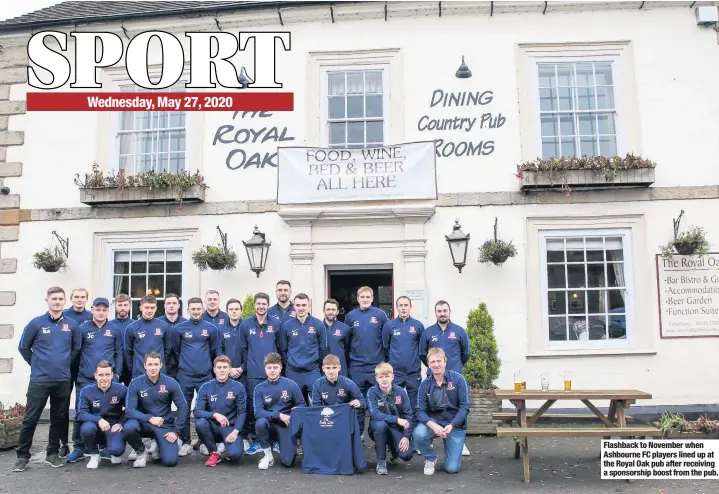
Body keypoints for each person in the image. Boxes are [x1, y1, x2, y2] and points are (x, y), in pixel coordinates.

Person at [14, 286, 81, 472]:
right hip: (39, 380)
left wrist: (65, 364)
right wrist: (36, 364)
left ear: (65, 301)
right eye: (54, 299)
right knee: (31, 418)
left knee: (59, 418)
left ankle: (52, 452)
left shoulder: (72, 326)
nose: (57, 302)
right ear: (47, 301)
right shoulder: (36, 323)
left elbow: (76, 349)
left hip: (62, 380)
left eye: (60, 299)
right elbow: (23, 347)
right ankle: (22, 456)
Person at [67, 297, 124, 463]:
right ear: (92, 309)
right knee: (80, 413)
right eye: (97, 309)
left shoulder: (114, 329)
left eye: (104, 310)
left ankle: (104, 446)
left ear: (108, 311)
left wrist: (117, 374)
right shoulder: (82, 328)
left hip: (108, 379)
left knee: (108, 411)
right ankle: (78, 447)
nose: (100, 312)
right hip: (86, 379)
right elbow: (76, 352)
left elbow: (119, 353)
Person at [418, 300, 471, 456]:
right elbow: (422, 354)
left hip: (454, 377)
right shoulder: (428, 332)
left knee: (458, 407)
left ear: (449, 312)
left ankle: (461, 443)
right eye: (439, 311)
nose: (442, 313)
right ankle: (429, 439)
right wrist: (434, 367)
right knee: (432, 409)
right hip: (433, 378)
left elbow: (465, 353)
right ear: (435, 313)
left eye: (444, 310)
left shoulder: (459, 331)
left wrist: (453, 367)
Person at [173, 297, 223, 457]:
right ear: (187, 310)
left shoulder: (211, 328)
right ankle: (186, 442)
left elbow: (215, 350)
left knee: (206, 409)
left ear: (202, 310)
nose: (195, 311)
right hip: (185, 376)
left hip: (205, 376)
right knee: (184, 409)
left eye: (198, 309)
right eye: (192, 309)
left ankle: (204, 442)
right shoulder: (179, 329)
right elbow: (175, 351)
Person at [123, 352, 188, 468]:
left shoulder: (170, 382)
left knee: (170, 461)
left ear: (161, 365)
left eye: (156, 364)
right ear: (145, 366)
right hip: (143, 423)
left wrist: (176, 431)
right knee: (128, 427)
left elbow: (183, 407)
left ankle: (160, 444)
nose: (153, 368)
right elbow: (129, 410)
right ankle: (141, 452)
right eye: (150, 364)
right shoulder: (135, 383)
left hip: (163, 424)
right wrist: (150, 418)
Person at [414, 348, 470, 475]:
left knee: (452, 469)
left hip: (454, 424)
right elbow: (419, 411)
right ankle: (430, 458)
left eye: (439, 361)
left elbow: (465, 407)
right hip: (435, 422)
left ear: (445, 362)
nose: (436, 364)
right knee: (418, 434)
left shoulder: (458, 380)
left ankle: (451, 448)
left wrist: (452, 425)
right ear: (428, 365)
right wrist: (433, 425)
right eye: (432, 362)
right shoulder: (425, 384)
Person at [239, 293, 281, 454]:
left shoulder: (276, 324)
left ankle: (276, 440)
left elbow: (281, 348)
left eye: (264, 304)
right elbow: (243, 349)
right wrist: (248, 365)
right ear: (254, 306)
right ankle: (257, 440)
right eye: (258, 304)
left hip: (273, 374)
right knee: (254, 407)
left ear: (268, 305)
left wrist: (277, 369)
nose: (261, 306)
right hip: (254, 374)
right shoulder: (246, 324)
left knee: (276, 405)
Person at [217, 298, 259, 455]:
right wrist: (227, 370)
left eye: (237, 309)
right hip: (226, 374)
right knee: (226, 404)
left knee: (246, 405)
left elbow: (251, 351)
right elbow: (218, 350)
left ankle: (247, 437)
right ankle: (224, 437)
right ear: (227, 311)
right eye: (231, 309)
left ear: (241, 311)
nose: (234, 311)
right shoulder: (220, 329)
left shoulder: (247, 326)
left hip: (244, 373)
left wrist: (241, 368)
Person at [345, 286, 388, 436]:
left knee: (380, 401)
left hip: (376, 367)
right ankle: (359, 434)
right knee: (358, 403)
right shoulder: (350, 316)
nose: (365, 300)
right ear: (357, 299)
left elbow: (386, 340)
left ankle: (379, 433)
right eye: (362, 297)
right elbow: (347, 341)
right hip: (356, 367)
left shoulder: (381, 315)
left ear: (372, 299)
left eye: (368, 297)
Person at [253, 352, 304, 469]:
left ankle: (286, 448)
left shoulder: (291, 385)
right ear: (265, 369)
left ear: (280, 368)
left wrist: (294, 413)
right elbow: (258, 412)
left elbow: (301, 404)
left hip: (286, 424)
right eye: (269, 368)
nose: (272, 370)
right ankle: (268, 456)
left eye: (275, 367)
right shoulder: (259, 388)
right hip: (269, 424)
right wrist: (279, 415)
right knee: (260, 423)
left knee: (288, 462)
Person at [193, 356, 247, 467]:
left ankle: (230, 447)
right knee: (200, 423)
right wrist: (215, 415)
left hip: (230, 428)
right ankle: (214, 452)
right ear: (214, 369)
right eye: (219, 367)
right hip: (212, 427)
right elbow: (197, 411)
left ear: (229, 369)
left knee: (234, 455)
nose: (222, 370)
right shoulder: (205, 387)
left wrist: (235, 432)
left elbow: (242, 412)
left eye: (225, 367)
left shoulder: (238, 387)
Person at [76, 360, 127, 469]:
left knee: (117, 452)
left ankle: (108, 449)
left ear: (112, 375)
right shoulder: (86, 391)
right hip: (95, 425)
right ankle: (94, 454)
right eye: (101, 375)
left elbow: (130, 410)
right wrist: (98, 420)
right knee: (87, 429)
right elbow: (81, 413)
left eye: (107, 374)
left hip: (113, 427)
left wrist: (121, 423)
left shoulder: (122, 390)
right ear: (95, 375)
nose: (104, 378)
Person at [366, 362, 415, 474]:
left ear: (392, 376)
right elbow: (374, 413)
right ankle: (381, 460)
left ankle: (393, 449)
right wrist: (397, 419)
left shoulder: (401, 392)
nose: (384, 380)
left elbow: (409, 415)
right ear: (376, 378)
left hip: (396, 429)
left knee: (406, 455)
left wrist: (406, 436)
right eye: (381, 377)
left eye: (387, 376)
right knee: (380, 425)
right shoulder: (372, 392)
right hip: (378, 428)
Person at [278, 293, 327, 404]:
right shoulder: (286, 326)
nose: (301, 308)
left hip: (312, 372)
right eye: (298, 305)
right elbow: (283, 350)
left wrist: (314, 365)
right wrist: (292, 363)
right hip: (293, 372)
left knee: (316, 404)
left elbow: (323, 349)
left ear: (309, 306)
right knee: (295, 405)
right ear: (294, 306)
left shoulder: (318, 324)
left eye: (304, 305)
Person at [62, 287, 92, 458]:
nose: (79, 300)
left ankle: (83, 444)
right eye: (76, 297)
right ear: (71, 299)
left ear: (86, 300)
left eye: (83, 297)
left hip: (84, 369)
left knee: (82, 406)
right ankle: (63, 443)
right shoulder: (64, 316)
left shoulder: (91, 316)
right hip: (66, 368)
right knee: (63, 407)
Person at [382, 296, 424, 412]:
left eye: (406, 305)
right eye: (401, 305)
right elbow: (385, 347)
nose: (403, 308)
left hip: (413, 372)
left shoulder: (418, 325)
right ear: (396, 307)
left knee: (415, 404)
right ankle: (396, 427)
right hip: (395, 372)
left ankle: (413, 429)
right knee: (394, 403)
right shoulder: (389, 325)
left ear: (410, 307)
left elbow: (422, 348)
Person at [124, 295, 173, 379]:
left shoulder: (164, 326)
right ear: (141, 308)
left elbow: (168, 350)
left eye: (152, 307)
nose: (149, 310)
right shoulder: (131, 328)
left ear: (156, 308)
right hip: (139, 374)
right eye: (146, 307)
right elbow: (128, 352)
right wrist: (134, 369)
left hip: (160, 374)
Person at [158, 293, 187, 379]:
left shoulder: (186, 323)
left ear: (178, 305)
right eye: (168, 303)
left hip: (182, 368)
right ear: (164, 306)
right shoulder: (157, 323)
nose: (171, 305)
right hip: (162, 368)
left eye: (174, 303)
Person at [322, 299, 351, 377]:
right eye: (328, 309)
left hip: (340, 370)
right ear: (323, 311)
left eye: (333, 309)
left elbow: (348, 350)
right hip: (322, 371)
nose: (330, 312)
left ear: (338, 311)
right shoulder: (318, 327)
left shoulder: (345, 328)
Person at [111, 294, 134, 387]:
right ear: (115, 306)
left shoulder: (135, 325)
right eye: (120, 305)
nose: (122, 308)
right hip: (114, 366)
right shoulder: (110, 325)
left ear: (129, 306)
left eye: (125, 305)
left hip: (131, 368)